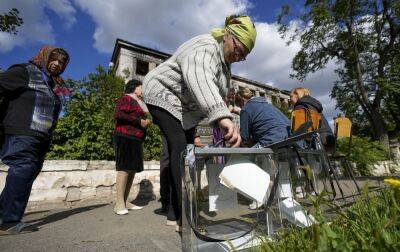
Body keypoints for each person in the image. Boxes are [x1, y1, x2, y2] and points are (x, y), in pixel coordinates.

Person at [143, 14, 257, 231]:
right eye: (238, 49)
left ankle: (174, 212)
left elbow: (212, 98)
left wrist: (223, 125)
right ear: (227, 34)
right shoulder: (206, 46)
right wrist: (222, 115)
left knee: (187, 153)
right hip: (162, 93)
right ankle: (185, 216)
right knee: (179, 151)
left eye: (243, 55)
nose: (237, 56)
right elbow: (199, 77)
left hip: (184, 112)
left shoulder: (225, 69)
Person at [0, 46, 70, 235]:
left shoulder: (51, 84)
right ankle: (9, 221)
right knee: (23, 168)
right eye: (54, 59)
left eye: (62, 62)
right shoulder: (24, 71)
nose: (58, 64)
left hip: (40, 137)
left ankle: (3, 215)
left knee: (28, 173)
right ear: (44, 57)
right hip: (22, 131)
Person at [113, 79, 151, 215]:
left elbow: (136, 118)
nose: (142, 90)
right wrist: (138, 120)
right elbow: (118, 114)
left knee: (132, 169)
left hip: (136, 138)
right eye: (141, 87)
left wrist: (144, 122)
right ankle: (118, 204)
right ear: (134, 88)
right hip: (124, 136)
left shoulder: (138, 102)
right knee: (124, 168)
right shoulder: (126, 98)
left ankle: (125, 201)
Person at [289, 87, 335, 152]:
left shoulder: (300, 108)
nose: (289, 100)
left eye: (291, 97)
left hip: (317, 144)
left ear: (297, 95)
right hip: (329, 141)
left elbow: (297, 133)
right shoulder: (314, 107)